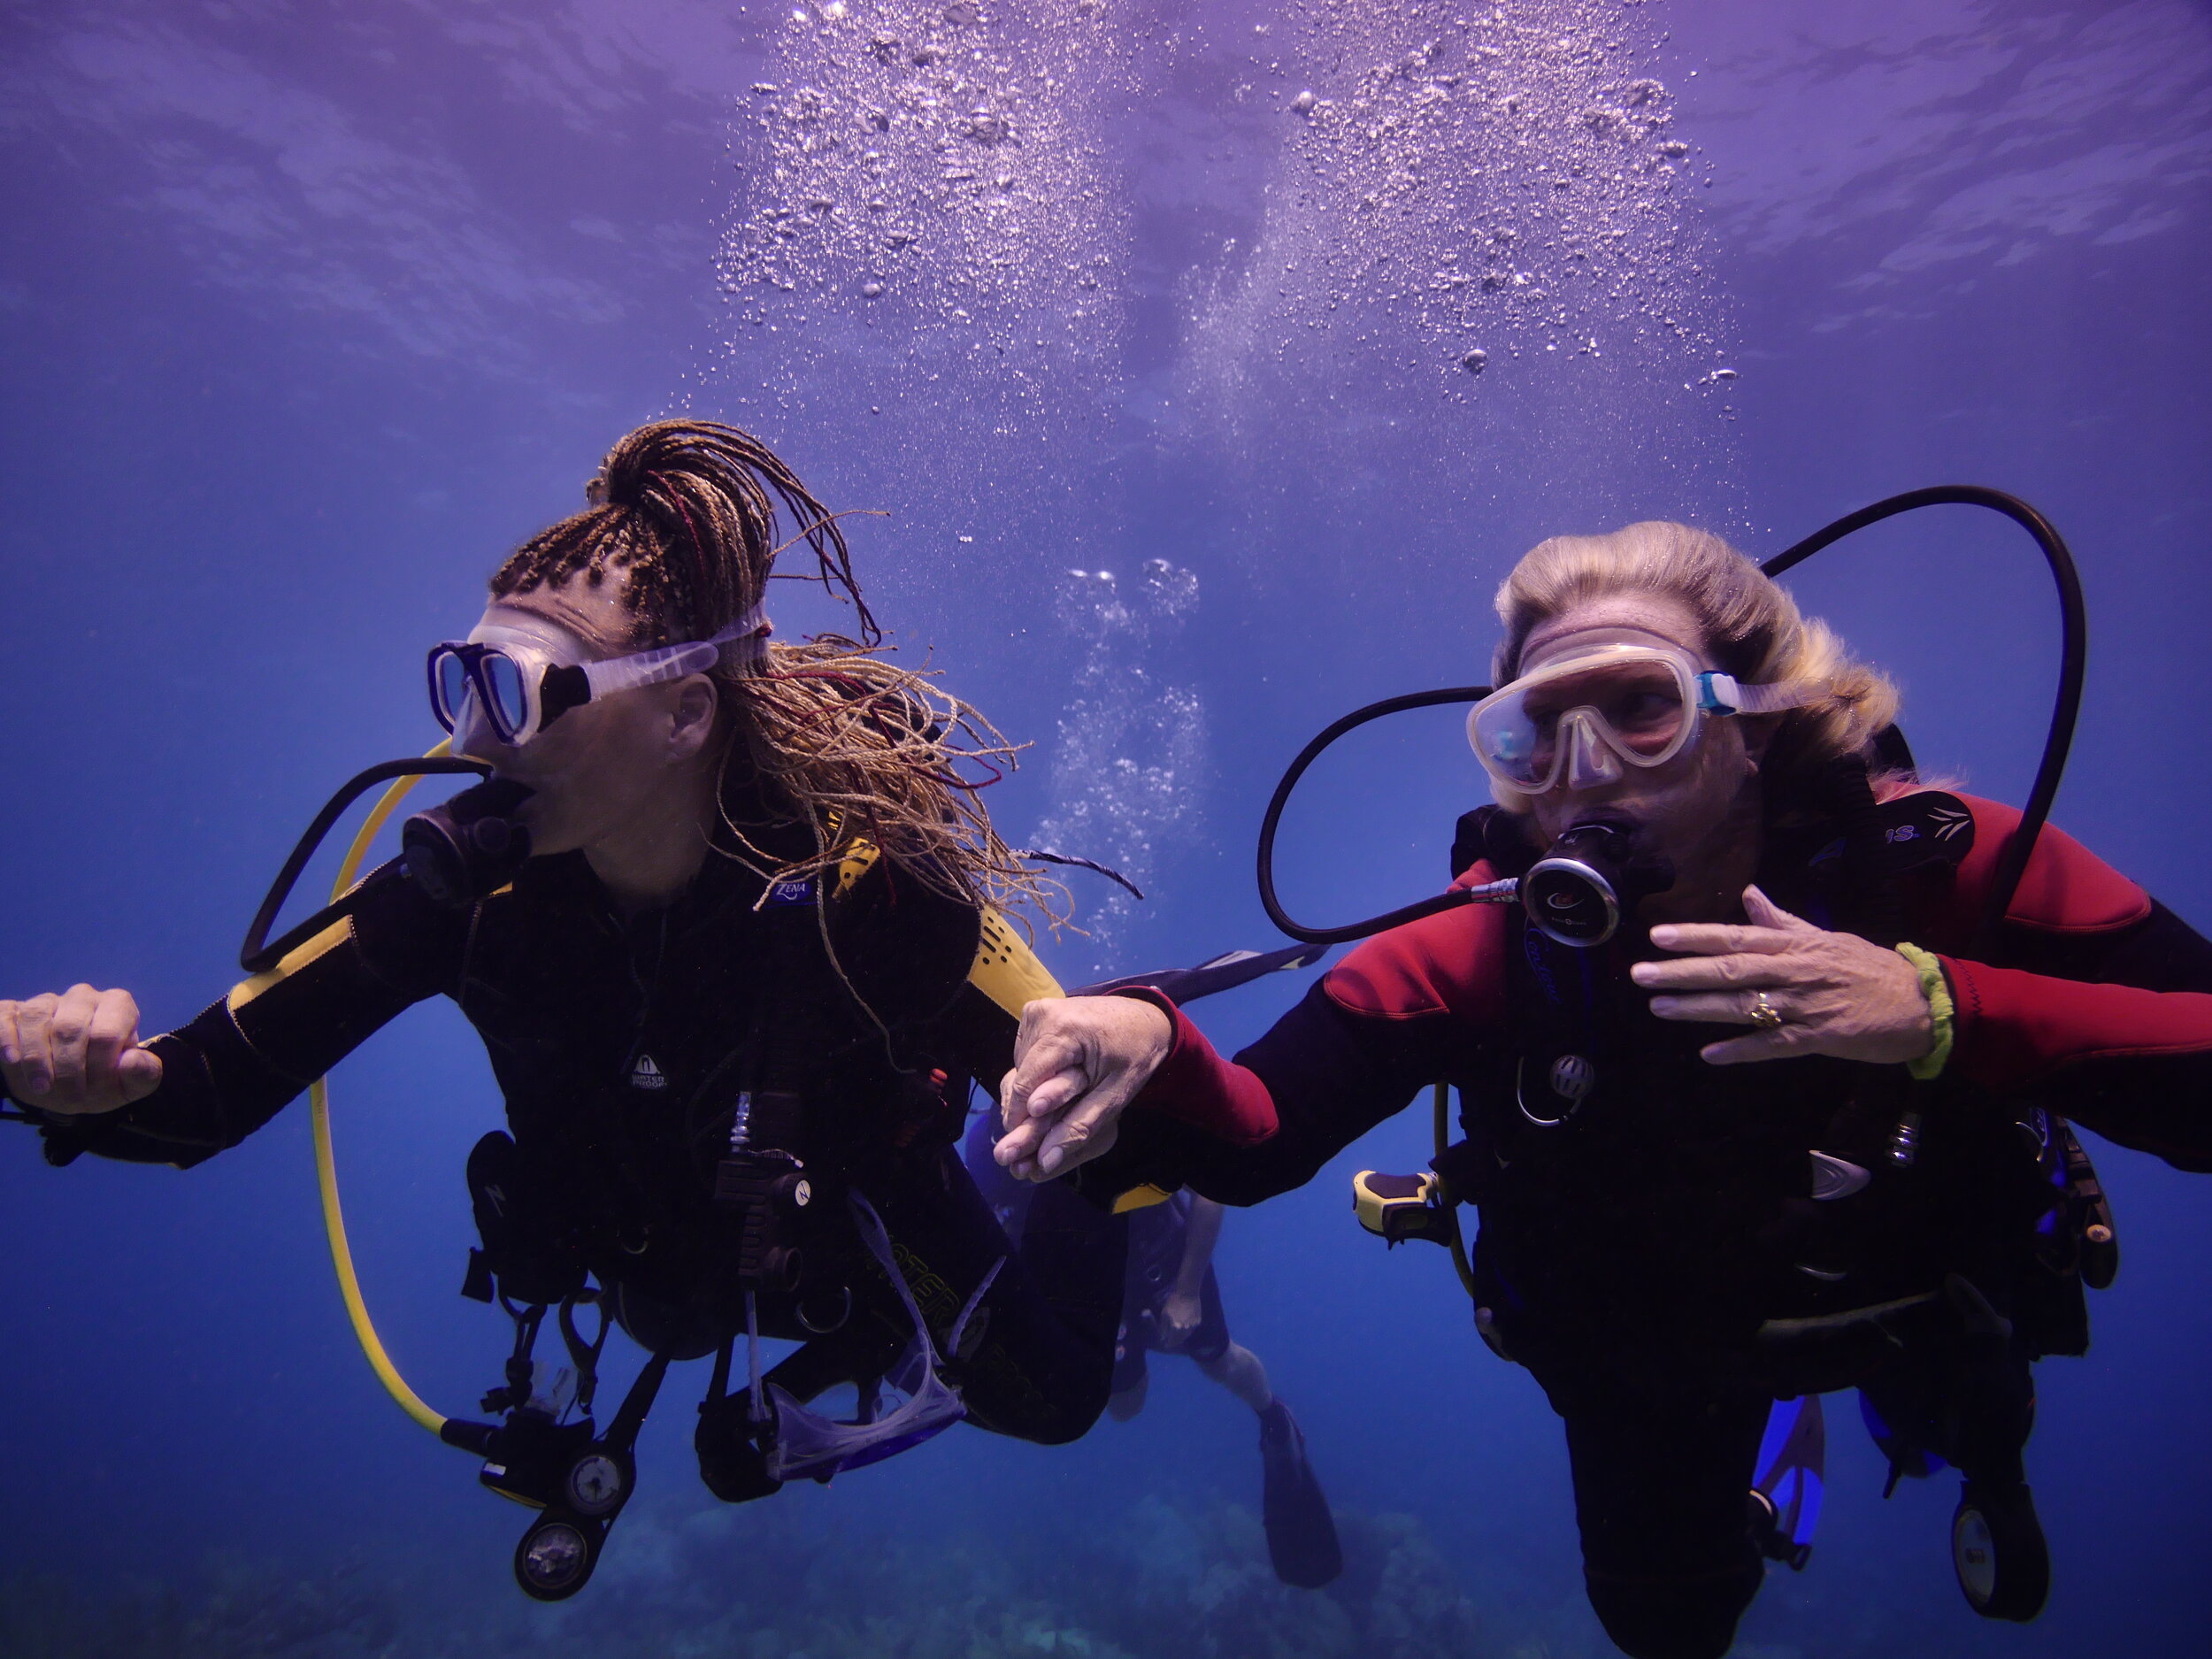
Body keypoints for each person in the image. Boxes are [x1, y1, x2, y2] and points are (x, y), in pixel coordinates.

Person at [989, 521, 2212, 1659]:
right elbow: (1257, 1134)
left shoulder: (1939, 869)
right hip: (1650, 1353)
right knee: (1663, 1624)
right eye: (1535, 731)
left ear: (1761, 721)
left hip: (1910, 1278)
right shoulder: (1490, 937)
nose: (1583, 771)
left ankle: (1967, 1459)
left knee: (1973, 1418)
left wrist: (1940, 1010)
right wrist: (1146, 1030)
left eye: (1643, 709)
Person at [0, 419, 1126, 1595]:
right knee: (668, 1318)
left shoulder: (867, 894)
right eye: (462, 678)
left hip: (843, 1227)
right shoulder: (463, 894)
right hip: (646, 1251)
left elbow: (1090, 1069)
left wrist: (1121, 1086)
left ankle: (1053, 1219)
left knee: (1055, 1402)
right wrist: (66, 1075)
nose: (471, 738)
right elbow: (203, 1088)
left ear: (687, 712)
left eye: (517, 693)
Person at [962, 1108, 1342, 1588]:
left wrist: (1186, 1291)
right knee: (1124, 1406)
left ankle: (1273, 1415)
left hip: (1164, 1262)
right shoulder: (989, 1149)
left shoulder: (1124, 1105)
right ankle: (1142, 1345)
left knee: (1219, 1361)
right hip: (1094, 1287)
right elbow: (993, 1239)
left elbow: (1210, 1188)